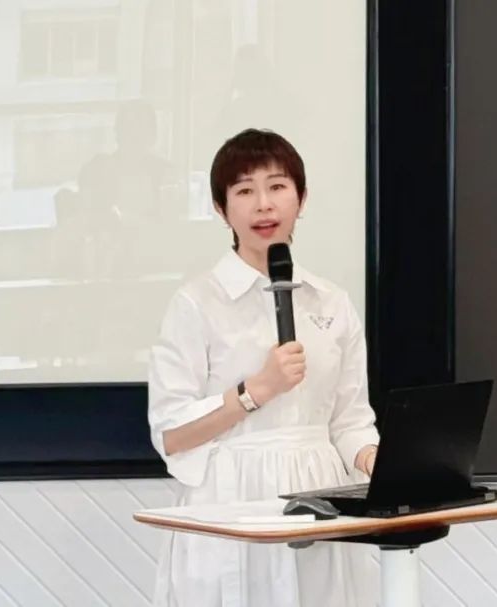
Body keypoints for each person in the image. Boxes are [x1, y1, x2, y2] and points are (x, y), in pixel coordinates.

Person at [147, 128, 379, 606]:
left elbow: (350, 420)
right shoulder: (196, 302)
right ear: (221, 209)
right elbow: (171, 434)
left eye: (277, 186)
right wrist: (254, 392)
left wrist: (377, 461)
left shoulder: (332, 301)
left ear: (301, 198)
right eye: (244, 191)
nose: (263, 205)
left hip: (320, 495)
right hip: (231, 500)